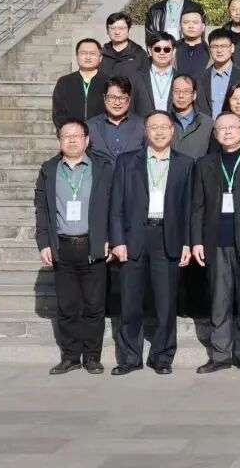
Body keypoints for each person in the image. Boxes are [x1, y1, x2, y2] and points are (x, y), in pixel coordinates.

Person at [108, 111, 194, 375]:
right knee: (130, 302)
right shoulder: (127, 161)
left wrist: (188, 243)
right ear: (145, 131)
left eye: (164, 127)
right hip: (134, 237)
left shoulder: (185, 163)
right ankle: (129, 358)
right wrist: (117, 240)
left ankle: (162, 357)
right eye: (153, 127)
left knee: (166, 304)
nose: (159, 132)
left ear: (172, 130)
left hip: (167, 237)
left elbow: (190, 208)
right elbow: (116, 205)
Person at [190, 112, 240, 375]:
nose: (227, 132)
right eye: (221, 128)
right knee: (219, 302)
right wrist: (196, 241)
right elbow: (197, 207)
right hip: (215, 242)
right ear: (215, 134)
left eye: (232, 127)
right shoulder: (205, 164)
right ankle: (220, 355)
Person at [34, 119, 113, 375]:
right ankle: (70, 356)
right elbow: (42, 209)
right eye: (65, 135)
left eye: (76, 135)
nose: (71, 140)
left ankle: (92, 356)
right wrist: (44, 242)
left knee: (94, 306)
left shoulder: (102, 167)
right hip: (63, 246)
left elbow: (114, 206)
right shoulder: (49, 169)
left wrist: (111, 238)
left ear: (86, 140)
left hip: (93, 245)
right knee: (67, 306)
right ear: (59, 140)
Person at [196, 28, 240, 118]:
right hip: (209, 126)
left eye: (223, 46)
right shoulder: (201, 78)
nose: (219, 50)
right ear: (210, 49)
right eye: (214, 46)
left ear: (232, 48)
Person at [87, 76, 145, 162]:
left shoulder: (142, 125)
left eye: (122, 98)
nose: (117, 103)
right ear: (104, 98)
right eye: (112, 97)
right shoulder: (90, 126)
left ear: (129, 100)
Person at [53, 39, 107, 128]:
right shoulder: (64, 82)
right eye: (83, 53)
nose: (88, 57)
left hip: (101, 134)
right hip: (72, 134)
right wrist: (71, 131)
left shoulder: (109, 82)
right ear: (77, 56)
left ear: (100, 58)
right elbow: (58, 113)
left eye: (92, 53)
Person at [129, 32, 177, 118]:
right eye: (157, 49)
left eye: (167, 49)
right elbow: (130, 108)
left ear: (173, 51)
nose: (162, 53)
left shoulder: (181, 77)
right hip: (143, 125)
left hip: (173, 125)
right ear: (150, 51)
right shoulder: (136, 77)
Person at [169, 74, 214, 160]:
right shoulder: (164, 121)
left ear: (194, 95)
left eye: (186, 91)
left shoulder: (208, 123)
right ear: (171, 94)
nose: (181, 95)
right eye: (177, 91)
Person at [100, 11, 147, 76]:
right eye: (112, 28)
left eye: (121, 28)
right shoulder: (101, 53)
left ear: (129, 30)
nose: (117, 32)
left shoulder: (139, 54)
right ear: (107, 31)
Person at [175, 7, 209, 79]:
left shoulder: (211, 52)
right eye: (186, 22)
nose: (191, 26)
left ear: (203, 27)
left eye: (195, 22)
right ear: (180, 27)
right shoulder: (170, 50)